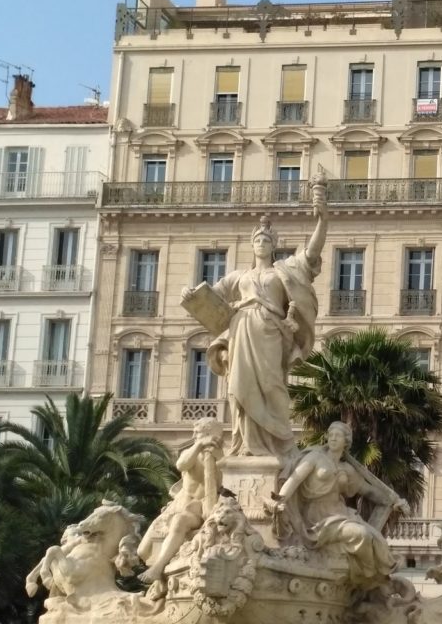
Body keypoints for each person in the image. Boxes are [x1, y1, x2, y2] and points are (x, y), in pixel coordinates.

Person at [182, 183, 329, 459]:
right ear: (252, 245)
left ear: (274, 246)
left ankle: (278, 443)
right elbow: (211, 294)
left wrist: (322, 219)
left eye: (267, 241)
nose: (262, 243)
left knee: (273, 385)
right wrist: (189, 293)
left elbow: (311, 254)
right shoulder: (240, 276)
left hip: (271, 332)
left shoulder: (283, 271)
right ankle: (246, 444)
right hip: (241, 328)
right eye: (258, 240)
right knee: (240, 387)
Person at [268, 421, 408, 589]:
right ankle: (370, 575)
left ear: (346, 441)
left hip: (340, 513)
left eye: (338, 435)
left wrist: (393, 502)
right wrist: (280, 499)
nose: (333, 438)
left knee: (372, 538)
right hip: (317, 517)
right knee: (361, 534)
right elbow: (295, 479)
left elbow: (368, 491)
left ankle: (370, 575)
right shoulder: (315, 457)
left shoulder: (347, 469)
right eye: (330, 434)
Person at [138, 418, 224, 583]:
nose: (193, 435)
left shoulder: (221, 457)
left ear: (208, 434)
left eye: (197, 432)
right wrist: (199, 445)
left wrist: (215, 456)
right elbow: (181, 465)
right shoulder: (191, 453)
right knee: (142, 551)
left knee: (180, 521)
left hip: (198, 509)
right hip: (179, 504)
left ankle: (158, 567)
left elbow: (225, 479)